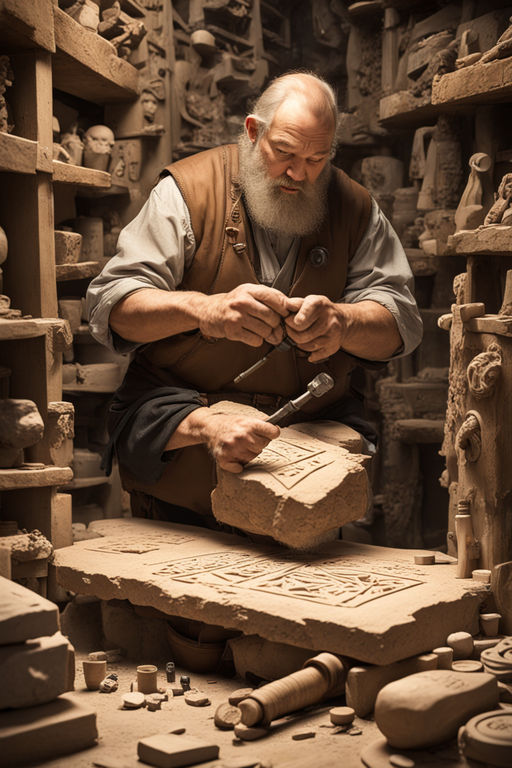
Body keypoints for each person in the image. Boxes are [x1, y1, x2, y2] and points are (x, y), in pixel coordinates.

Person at [87, 71, 422, 527]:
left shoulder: (354, 206)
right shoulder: (188, 191)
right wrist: (206, 311)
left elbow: (399, 322)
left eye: (316, 158)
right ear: (253, 131)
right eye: (283, 151)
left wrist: (343, 322)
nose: (298, 173)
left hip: (308, 450)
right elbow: (114, 306)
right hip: (187, 435)